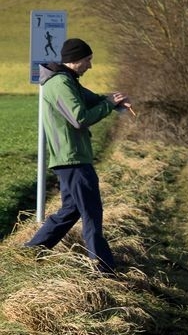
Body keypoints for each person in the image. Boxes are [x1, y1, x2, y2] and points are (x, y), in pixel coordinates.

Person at [24, 37, 131, 273]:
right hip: (72, 159)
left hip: (71, 159)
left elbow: (94, 100)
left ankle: (31, 250)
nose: (90, 66)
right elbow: (80, 118)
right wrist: (109, 105)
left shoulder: (68, 80)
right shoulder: (61, 83)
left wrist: (114, 100)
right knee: (92, 212)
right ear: (75, 60)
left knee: (70, 210)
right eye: (88, 60)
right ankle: (104, 268)